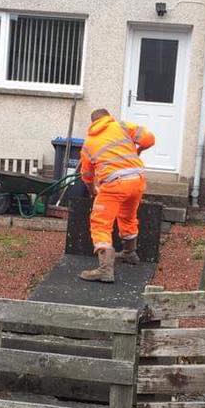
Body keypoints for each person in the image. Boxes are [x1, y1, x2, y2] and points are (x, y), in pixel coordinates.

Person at [78, 108, 155, 283]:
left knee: (100, 224)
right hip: (137, 180)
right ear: (108, 117)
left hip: (114, 184)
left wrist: (92, 191)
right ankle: (130, 253)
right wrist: (139, 150)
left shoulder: (89, 143)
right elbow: (149, 139)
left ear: (93, 123)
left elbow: (87, 176)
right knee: (128, 217)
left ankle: (105, 269)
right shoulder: (122, 126)